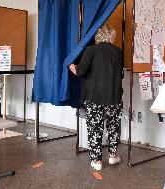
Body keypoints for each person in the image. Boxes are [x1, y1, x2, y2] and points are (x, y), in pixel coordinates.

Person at [69, 25, 123, 171]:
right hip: (114, 96)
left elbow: (81, 71)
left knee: (95, 128)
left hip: (94, 97)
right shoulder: (118, 52)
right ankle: (112, 156)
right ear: (112, 36)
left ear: (97, 36)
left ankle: (97, 161)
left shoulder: (90, 50)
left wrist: (70, 65)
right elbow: (121, 74)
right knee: (113, 126)